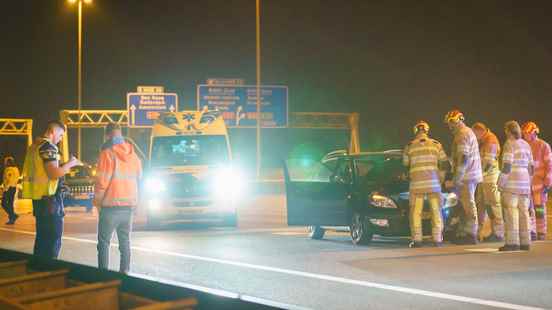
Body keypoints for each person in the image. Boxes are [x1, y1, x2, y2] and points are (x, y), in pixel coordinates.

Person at [21, 121, 80, 258]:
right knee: (52, 240)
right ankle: (50, 273)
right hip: (50, 201)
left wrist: (62, 166)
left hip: (39, 199)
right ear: (53, 131)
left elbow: (42, 171)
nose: (60, 139)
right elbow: (53, 173)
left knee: (42, 240)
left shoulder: (34, 147)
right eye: (60, 135)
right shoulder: (48, 147)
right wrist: (71, 164)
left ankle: (38, 271)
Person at [95, 123, 142, 274]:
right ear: (120, 134)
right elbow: (139, 178)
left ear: (107, 135)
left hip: (110, 207)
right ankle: (125, 273)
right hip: (128, 207)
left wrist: (97, 202)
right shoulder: (134, 155)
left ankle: (103, 276)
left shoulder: (107, 153)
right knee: (125, 243)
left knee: (103, 243)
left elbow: (102, 182)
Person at [403, 121, 450, 247]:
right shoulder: (436, 144)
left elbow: (405, 164)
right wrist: (441, 178)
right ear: (427, 131)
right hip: (433, 185)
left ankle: (417, 240)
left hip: (416, 186)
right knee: (436, 211)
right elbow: (445, 163)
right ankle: (438, 239)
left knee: (416, 212)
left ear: (415, 131)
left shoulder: (409, 146)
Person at [444, 110, 483, 244]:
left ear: (459, 120)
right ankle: (463, 233)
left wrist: (458, 177)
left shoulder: (462, 134)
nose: (450, 126)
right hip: (471, 175)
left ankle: (471, 235)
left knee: (468, 204)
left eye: (452, 123)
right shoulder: (467, 132)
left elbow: (464, 157)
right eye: (449, 123)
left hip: (467, 176)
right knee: (464, 205)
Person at [498, 121, 534, 251]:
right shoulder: (526, 145)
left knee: (511, 211)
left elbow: (507, 166)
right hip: (525, 182)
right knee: (524, 212)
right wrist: (529, 183)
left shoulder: (509, 144)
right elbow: (531, 167)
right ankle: (525, 242)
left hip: (512, 182)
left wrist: (500, 183)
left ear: (508, 131)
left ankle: (512, 242)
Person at [472, 122, 504, 242]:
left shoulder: (491, 140)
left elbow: (489, 164)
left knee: (494, 205)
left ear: (480, 131)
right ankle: (492, 232)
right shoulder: (484, 141)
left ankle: (498, 233)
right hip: (485, 179)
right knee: (486, 206)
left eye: (475, 134)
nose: (474, 137)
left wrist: (480, 175)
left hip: (490, 178)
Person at [521, 121, 552, 241]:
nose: (525, 135)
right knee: (529, 209)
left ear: (534, 133)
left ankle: (541, 232)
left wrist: (548, 181)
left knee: (539, 209)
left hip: (539, 185)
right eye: (524, 133)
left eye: (527, 133)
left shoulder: (543, 145)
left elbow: (550, 165)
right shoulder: (524, 145)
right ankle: (532, 231)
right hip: (526, 183)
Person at [2, 156, 20, 224]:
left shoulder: (9, 169)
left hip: (9, 188)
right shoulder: (16, 169)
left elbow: (9, 180)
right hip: (13, 187)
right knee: (10, 204)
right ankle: (12, 218)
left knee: (3, 203)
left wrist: (5, 189)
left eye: (5, 161)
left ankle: (13, 215)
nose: (4, 163)